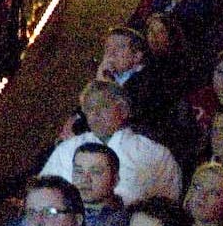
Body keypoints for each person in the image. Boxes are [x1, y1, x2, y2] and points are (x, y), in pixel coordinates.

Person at [39, 80, 182, 204]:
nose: (95, 114)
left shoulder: (156, 153)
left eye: (103, 106)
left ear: (124, 110)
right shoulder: (67, 149)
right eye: (89, 109)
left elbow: (167, 202)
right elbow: (43, 191)